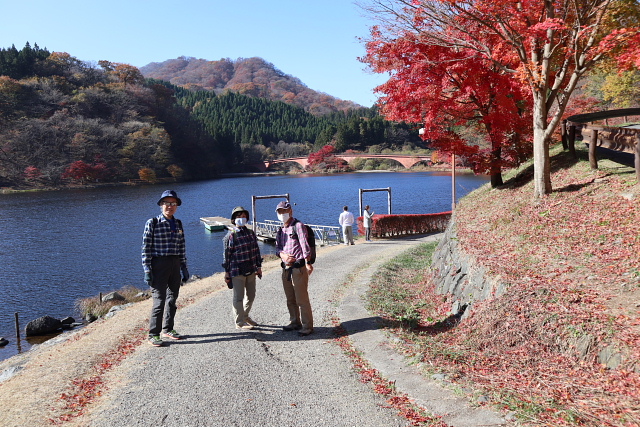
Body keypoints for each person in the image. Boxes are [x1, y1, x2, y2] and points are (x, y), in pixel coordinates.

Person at [142, 190, 189, 347]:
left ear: (176, 206)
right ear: (161, 205)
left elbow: (182, 246)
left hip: (175, 264)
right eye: (167, 203)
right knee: (159, 300)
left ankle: (168, 329)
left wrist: (184, 267)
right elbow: (146, 248)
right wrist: (147, 270)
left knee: (172, 299)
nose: (170, 206)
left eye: (173, 203)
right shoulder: (153, 223)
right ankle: (153, 333)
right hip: (158, 264)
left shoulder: (178, 223)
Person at [275, 201, 314, 336]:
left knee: (301, 299)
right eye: (280, 212)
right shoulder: (280, 230)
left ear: (290, 211)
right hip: (286, 268)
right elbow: (277, 248)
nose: (282, 214)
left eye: (284, 211)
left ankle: (307, 326)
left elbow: (305, 246)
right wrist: (283, 255)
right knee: (290, 298)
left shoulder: (298, 226)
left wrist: (308, 262)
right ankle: (294, 321)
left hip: (298, 268)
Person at [222, 206, 263, 330]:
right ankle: (239, 322)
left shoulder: (250, 233)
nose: (242, 218)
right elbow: (226, 256)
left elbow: (256, 251)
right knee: (238, 297)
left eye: (244, 216)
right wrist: (227, 272)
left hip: (250, 269)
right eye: (239, 217)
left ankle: (245, 316)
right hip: (236, 271)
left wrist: (259, 267)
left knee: (251, 295)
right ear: (234, 219)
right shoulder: (230, 236)